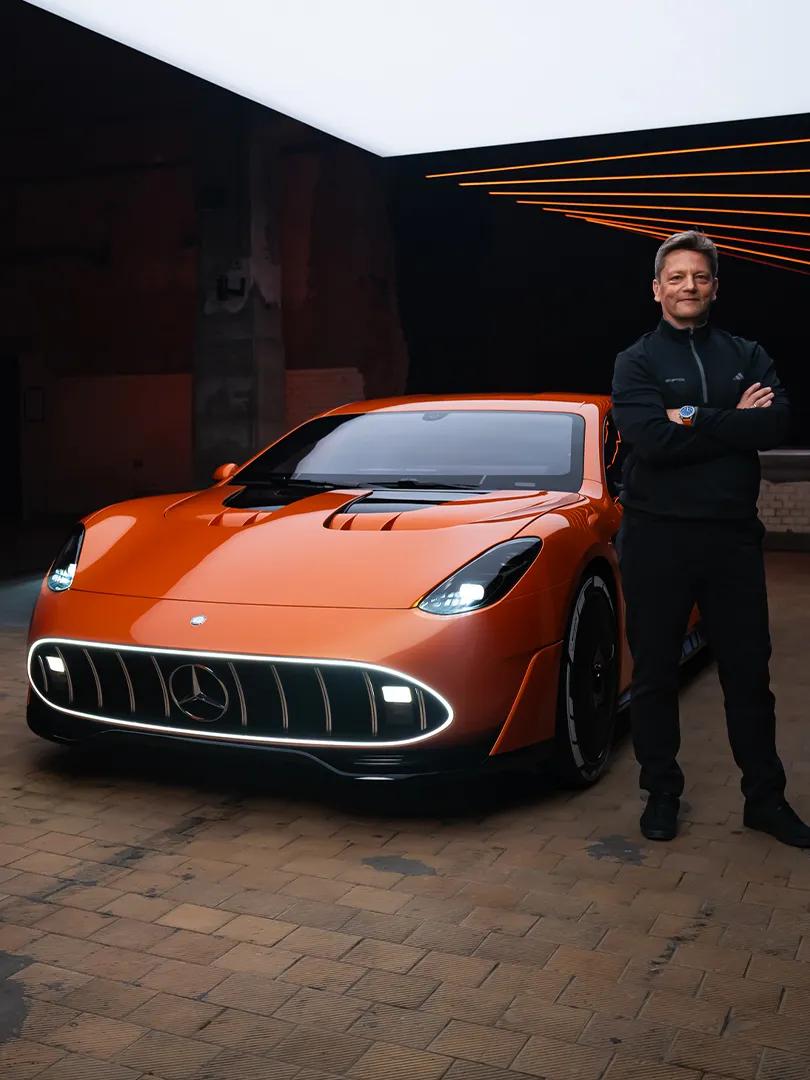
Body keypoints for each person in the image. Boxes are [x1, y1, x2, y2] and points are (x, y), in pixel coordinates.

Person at [611, 229, 810, 847]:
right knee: (655, 675)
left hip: (731, 540)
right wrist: (731, 419)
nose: (688, 287)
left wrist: (693, 416)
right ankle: (661, 794)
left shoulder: (746, 353)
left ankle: (765, 800)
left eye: (699, 277)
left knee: (749, 675)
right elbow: (652, 442)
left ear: (714, 287)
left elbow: (775, 421)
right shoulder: (636, 361)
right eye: (677, 277)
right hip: (656, 539)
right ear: (656, 289)